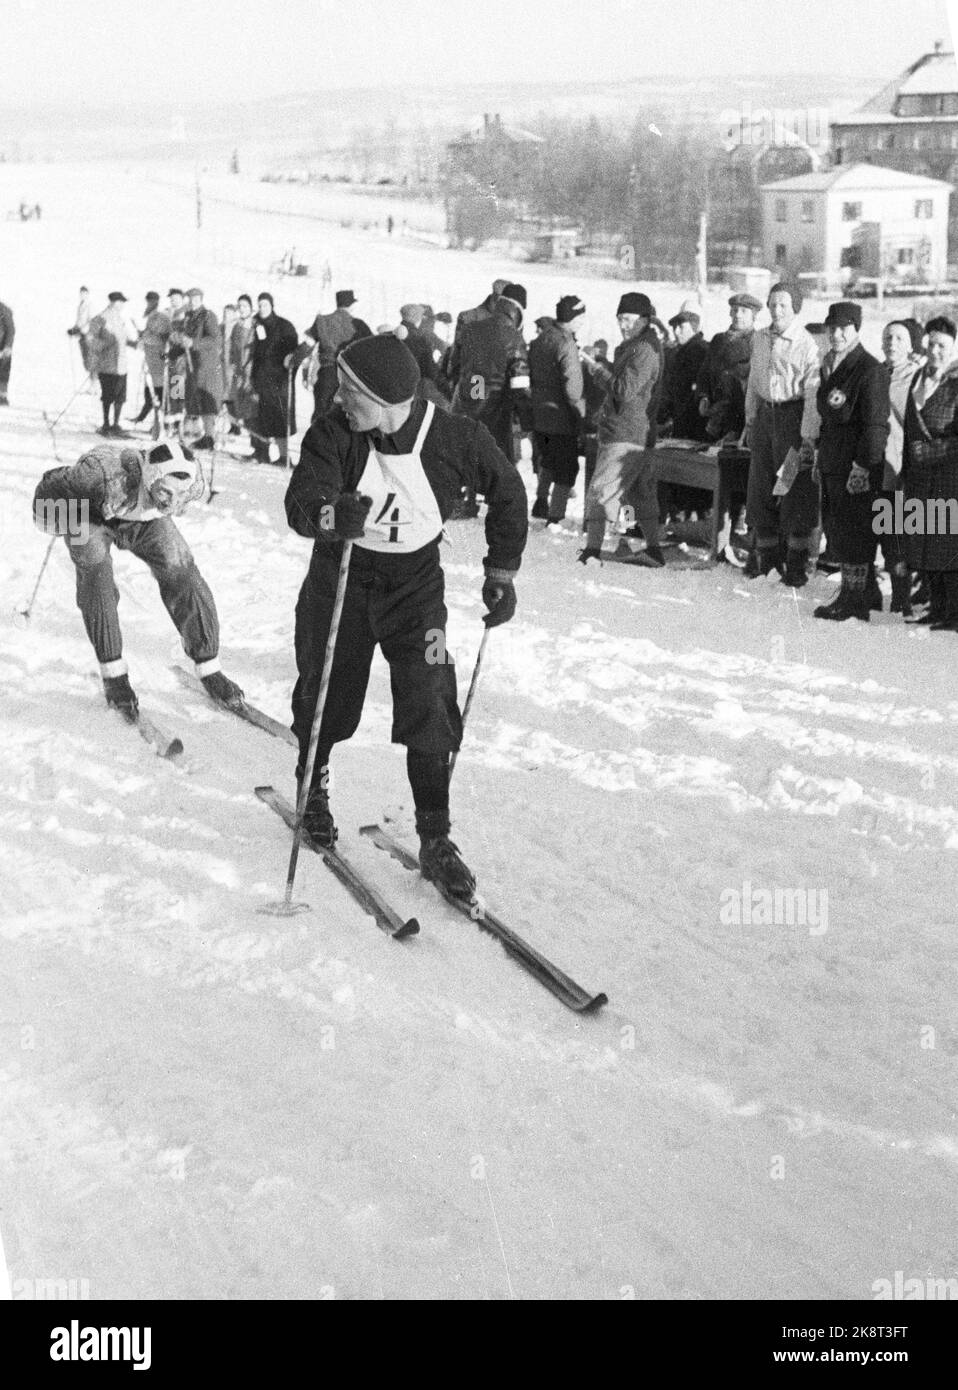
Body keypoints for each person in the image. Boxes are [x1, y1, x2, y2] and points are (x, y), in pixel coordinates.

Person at [284, 334, 528, 894]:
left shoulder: (455, 436)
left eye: (352, 392)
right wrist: (329, 514)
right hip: (340, 577)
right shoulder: (334, 432)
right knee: (327, 691)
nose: (340, 399)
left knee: (430, 694)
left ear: (392, 403)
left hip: (414, 588)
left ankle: (436, 835)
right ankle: (313, 787)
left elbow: (509, 491)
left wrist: (502, 573)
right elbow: (302, 498)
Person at [32, 438, 244, 714]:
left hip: (142, 519)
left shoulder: (192, 483)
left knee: (181, 568)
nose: (174, 502)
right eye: (167, 492)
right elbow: (53, 486)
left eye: (181, 495)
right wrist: (52, 518)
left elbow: (174, 496)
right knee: (97, 575)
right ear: (149, 478)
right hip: (89, 512)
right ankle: (113, 673)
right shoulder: (98, 475)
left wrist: (167, 497)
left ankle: (208, 665)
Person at [811, 302, 889, 623]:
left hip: (854, 467)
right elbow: (828, 418)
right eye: (832, 328)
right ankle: (866, 591)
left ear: (857, 329)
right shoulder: (830, 364)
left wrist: (863, 467)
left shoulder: (869, 369)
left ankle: (852, 599)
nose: (837, 334)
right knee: (837, 527)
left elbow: (875, 426)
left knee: (853, 532)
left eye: (844, 327)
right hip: (833, 461)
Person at [742, 282, 821, 586]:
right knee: (762, 486)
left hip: (792, 420)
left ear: (795, 309)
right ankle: (767, 563)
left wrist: (808, 435)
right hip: (765, 419)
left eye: (783, 305)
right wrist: (751, 419)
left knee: (789, 486)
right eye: (773, 304)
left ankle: (796, 564)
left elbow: (813, 391)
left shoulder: (805, 343)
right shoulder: (760, 338)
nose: (776, 311)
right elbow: (753, 379)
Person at [579, 292, 664, 564]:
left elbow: (624, 389)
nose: (623, 325)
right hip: (638, 432)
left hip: (625, 432)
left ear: (645, 319)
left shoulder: (644, 350)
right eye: (620, 319)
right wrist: (605, 365)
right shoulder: (639, 346)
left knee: (601, 490)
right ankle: (650, 547)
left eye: (629, 319)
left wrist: (596, 370)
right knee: (637, 492)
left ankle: (592, 550)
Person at [899, 315, 958, 630]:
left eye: (942, 346)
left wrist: (929, 451)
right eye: (932, 344)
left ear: (952, 348)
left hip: (950, 476)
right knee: (924, 540)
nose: (936, 351)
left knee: (948, 543)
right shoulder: (918, 378)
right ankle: (937, 607)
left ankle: (954, 611)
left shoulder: (956, 382)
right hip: (920, 478)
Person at [450, 282, 531, 465]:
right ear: (518, 310)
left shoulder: (471, 329)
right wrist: (526, 420)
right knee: (496, 465)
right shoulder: (515, 338)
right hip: (496, 412)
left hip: (466, 404)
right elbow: (520, 385)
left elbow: (452, 368)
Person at [528, 294, 587, 524]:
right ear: (572, 318)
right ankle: (555, 515)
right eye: (580, 317)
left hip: (540, 415)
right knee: (566, 468)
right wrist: (582, 414)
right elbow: (573, 389)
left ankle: (541, 501)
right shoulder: (566, 344)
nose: (582, 322)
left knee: (548, 461)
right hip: (561, 418)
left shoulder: (541, 339)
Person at [880, 321, 922, 616]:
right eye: (887, 337)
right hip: (874, 466)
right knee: (884, 534)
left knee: (901, 534)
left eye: (899, 338)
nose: (892, 343)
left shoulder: (917, 378)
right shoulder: (875, 372)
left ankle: (902, 599)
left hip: (903, 467)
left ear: (910, 346)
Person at [697, 293, 761, 442]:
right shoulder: (719, 340)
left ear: (754, 316)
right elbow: (704, 373)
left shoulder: (757, 342)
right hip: (713, 417)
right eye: (735, 310)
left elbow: (751, 391)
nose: (738, 315)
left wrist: (736, 429)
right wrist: (703, 396)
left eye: (744, 311)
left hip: (740, 420)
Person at [304, 290, 373, 420]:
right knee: (344, 418)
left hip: (326, 374)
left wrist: (293, 361)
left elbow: (307, 346)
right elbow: (371, 350)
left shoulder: (321, 321)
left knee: (321, 415)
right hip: (349, 378)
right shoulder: (359, 325)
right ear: (351, 305)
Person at [250, 292, 299, 465]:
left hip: (279, 379)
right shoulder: (255, 325)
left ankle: (284, 456)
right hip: (261, 377)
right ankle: (261, 452)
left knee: (279, 417)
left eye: (265, 304)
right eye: (260, 304)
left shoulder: (284, 326)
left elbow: (293, 351)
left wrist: (288, 363)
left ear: (271, 306)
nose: (262, 308)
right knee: (260, 416)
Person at [88, 291, 139, 436]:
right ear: (112, 302)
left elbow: (122, 339)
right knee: (108, 395)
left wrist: (133, 343)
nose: (122, 305)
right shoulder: (100, 319)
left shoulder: (120, 319)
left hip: (121, 365)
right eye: (120, 302)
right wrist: (104, 344)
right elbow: (90, 340)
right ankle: (106, 423)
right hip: (107, 365)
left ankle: (116, 423)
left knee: (120, 396)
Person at [181, 288, 223, 449]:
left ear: (201, 299)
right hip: (194, 365)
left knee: (207, 400)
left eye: (196, 299)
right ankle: (205, 436)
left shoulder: (208, 316)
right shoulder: (189, 317)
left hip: (208, 365)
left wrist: (194, 343)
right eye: (190, 299)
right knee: (198, 400)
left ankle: (210, 437)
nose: (193, 301)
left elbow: (215, 339)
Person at [659, 310, 709, 442]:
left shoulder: (700, 351)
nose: (676, 331)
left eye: (681, 327)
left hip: (694, 423)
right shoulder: (681, 352)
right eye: (674, 327)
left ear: (694, 328)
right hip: (681, 421)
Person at [133, 291, 170, 427]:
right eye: (149, 301)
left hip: (159, 359)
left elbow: (161, 338)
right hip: (151, 359)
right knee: (151, 389)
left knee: (159, 392)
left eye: (152, 301)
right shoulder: (151, 317)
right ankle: (148, 417)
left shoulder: (160, 317)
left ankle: (161, 423)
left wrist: (144, 337)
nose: (150, 303)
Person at [228, 294, 257, 435]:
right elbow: (233, 347)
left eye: (245, 306)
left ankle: (253, 433)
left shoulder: (255, 325)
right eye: (240, 306)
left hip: (251, 368)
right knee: (236, 397)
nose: (242, 309)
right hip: (238, 369)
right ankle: (236, 427)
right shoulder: (237, 326)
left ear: (251, 308)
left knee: (250, 400)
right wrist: (233, 362)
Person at [165, 288, 189, 434]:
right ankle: (172, 422)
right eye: (171, 298)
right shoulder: (171, 313)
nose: (172, 301)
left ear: (181, 298)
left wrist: (172, 336)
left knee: (177, 391)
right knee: (173, 391)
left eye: (175, 298)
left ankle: (177, 424)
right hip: (172, 358)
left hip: (181, 359)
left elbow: (181, 338)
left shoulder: (184, 314)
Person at [67, 286, 93, 374]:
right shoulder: (80, 306)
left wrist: (82, 329)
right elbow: (78, 321)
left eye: (84, 293)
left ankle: (95, 382)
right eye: (81, 293)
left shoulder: (90, 305)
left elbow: (91, 320)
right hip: (82, 335)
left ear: (87, 294)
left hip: (88, 335)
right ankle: (92, 382)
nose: (82, 295)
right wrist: (74, 329)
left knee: (90, 359)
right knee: (85, 358)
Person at [0, 297, 14, 406]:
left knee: (3, 372)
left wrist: (7, 346)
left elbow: (10, 329)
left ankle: (2, 396)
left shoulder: (4, 310)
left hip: (3, 347)